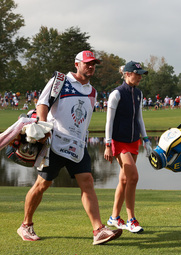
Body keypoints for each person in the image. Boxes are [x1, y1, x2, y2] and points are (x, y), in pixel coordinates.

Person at [17, 50, 122, 245]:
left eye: (94, 64)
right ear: (77, 64)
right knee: (42, 185)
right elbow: (42, 103)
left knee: (88, 182)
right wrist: (42, 125)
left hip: (78, 146)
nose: (91, 66)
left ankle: (98, 229)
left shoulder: (92, 91)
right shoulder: (60, 81)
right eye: (87, 63)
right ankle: (25, 225)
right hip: (54, 143)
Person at [104, 61, 152, 233]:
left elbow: (139, 118)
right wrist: (108, 144)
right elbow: (109, 121)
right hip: (119, 141)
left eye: (141, 74)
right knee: (133, 177)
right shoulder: (116, 94)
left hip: (133, 141)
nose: (140, 77)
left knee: (124, 180)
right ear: (127, 74)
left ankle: (114, 217)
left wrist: (146, 140)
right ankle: (131, 219)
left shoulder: (139, 93)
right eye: (137, 73)